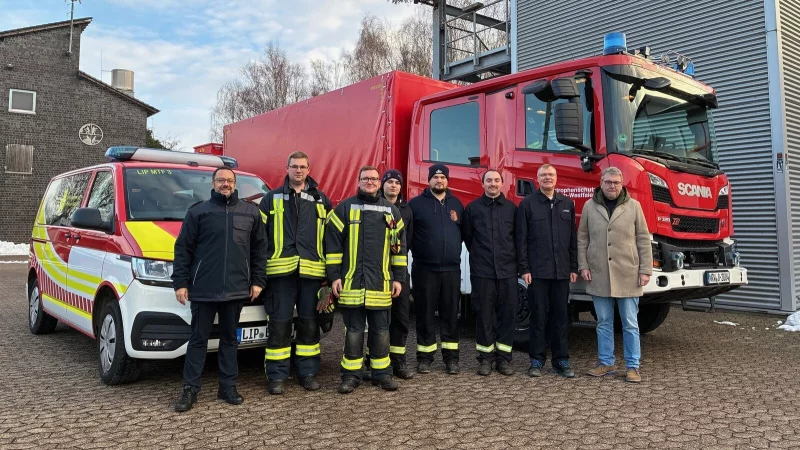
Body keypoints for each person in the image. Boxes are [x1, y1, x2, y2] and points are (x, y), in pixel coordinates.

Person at [172, 166, 267, 412]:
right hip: (203, 289)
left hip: (236, 289)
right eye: (221, 180)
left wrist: (258, 281)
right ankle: (190, 389)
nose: (226, 184)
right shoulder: (198, 212)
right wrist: (181, 283)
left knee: (229, 341)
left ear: (235, 184)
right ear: (213, 183)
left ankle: (227, 387)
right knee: (198, 341)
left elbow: (259, 250)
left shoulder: (250, 213)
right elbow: (183, 249)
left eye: (229, 180)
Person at [326, 166, 407, 394]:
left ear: (379, 182)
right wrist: (334, 277)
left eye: (373, 179)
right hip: (351, 283)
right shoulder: (344, 208)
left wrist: (398, 279)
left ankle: (382, 374)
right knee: (353, 331)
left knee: (381, 330)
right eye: (365, 178)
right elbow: (332, 244)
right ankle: (351, 376)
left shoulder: (392, 211)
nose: (370, 182)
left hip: (381, 283)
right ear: (358, 181)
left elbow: (399, 250)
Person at [259, 151, 331, 395]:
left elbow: (331, 240)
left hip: (312, 274)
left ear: (309, 169)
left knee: (309, 325)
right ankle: (277, 376)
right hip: (280, 273)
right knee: (279, 324)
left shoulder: (321, 200)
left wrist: (329, 278)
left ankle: (307, 373)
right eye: (294, 166)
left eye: (302, 167)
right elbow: (258, 239)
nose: (298, 171)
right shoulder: (271, 199)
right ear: (287, 168)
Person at [578, 166, 652, 383]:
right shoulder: (590, 206)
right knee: (603, 321)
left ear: (622, 184)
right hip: (599, 273)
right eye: (608, 182)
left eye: (616, 182)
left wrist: (645, 270)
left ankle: (632, 366)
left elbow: (643, 239)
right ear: (601, 183)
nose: (612, 186)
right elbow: (582, 238)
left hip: (628, 273)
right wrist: (583, 265)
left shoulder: (634, 206)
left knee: (630, 322)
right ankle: (606, 363)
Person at [516, 164, 578, 378]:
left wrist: (572, 266)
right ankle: (536, 360)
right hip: (537, 273)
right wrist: (524, 268)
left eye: (551, 175)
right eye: (543, 175)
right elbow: (521, 240)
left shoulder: (567, 203)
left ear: (556, 178)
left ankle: (561, 360)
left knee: (561, 317)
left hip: (561, 273)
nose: (547, 178)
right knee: (539, 318)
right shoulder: (527, 205)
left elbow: (572, 239)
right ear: (537, 179)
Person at [408, 163, 464, 375]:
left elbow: (464, 234)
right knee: (425, 314)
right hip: (425, 270)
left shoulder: (457, 205)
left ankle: (451, 359)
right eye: (435, 177)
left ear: (447, 181)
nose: (439, 180)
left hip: (451, 270)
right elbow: (409, 236)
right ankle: (425, 358)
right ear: (428, 180)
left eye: (442, 177)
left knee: (451, 314)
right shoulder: (416, 205)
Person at [461, 169, 517, 376]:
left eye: (496, 180)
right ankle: (485, 359)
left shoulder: (512, 209)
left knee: (507, 315)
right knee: (484, 315)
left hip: (508, 272)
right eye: (489, 180)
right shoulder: (472, 209)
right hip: (482, 272)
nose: (493, 184)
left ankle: (503, 359)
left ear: (502, 184)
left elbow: (517, 239)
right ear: (482, 184)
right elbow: (468, 237)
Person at [380, 169, 415, 379]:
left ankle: (398, 362)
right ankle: (373, 361)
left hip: (399, 272)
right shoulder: (374, 206)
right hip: (376, 271)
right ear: (382, 185)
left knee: (401, 319)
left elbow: (406, 243)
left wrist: (400, 274)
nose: (393, 185)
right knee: (378, 321)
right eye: (389, 182)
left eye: (396, 182)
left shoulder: (407, 210)